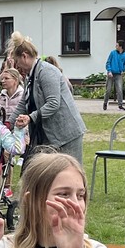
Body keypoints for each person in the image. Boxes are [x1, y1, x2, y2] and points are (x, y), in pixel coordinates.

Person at [9, 32, 86, 162]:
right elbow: (23, 104)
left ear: (24, 56)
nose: (17, 67)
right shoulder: (30, 76)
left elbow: (53, 103)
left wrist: (30, 118)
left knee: (70, 171)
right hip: (48, 136)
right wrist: (7, 125)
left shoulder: (46, 71)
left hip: (66, 135)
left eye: (17, 62)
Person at [104, 40, 125, 110]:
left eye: (117, 45)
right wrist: (109, 71)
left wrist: (123, 70)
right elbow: (108, 62)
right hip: (111, 73)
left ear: (120, 46)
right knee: (108, 90)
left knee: (119, 89)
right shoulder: (113, 53)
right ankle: (105, 103)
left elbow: (124, 64)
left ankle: (120, 104)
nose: (116, 46)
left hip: (118, 74)